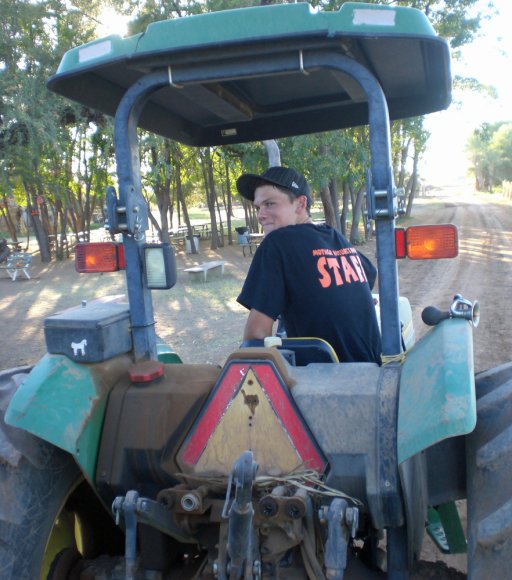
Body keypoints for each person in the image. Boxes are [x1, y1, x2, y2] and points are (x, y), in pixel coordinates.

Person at [236, 166, 382, 364]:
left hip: (326, 379)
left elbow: (256, 335)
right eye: (258, 207)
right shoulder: (333, 236)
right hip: (372, 369)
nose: (261, 214)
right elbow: (371, 279)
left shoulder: (278, 243)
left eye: (270, 204)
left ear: (300, 203)